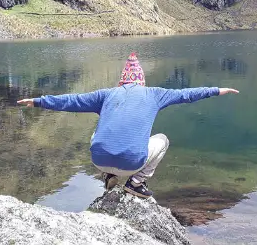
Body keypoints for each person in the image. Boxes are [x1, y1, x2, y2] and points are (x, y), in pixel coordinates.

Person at [17, 53, 239, 198]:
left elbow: (71, 101)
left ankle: (107, 175)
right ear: (141, 80)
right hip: (132, 163)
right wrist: (216, 90)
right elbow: (187, 95)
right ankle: (136, 183)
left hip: (99, 161)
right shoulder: (155, 94)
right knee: (162, 140)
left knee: (97, 132)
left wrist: (38, 101)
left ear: (122, 80)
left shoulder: (105, 95)